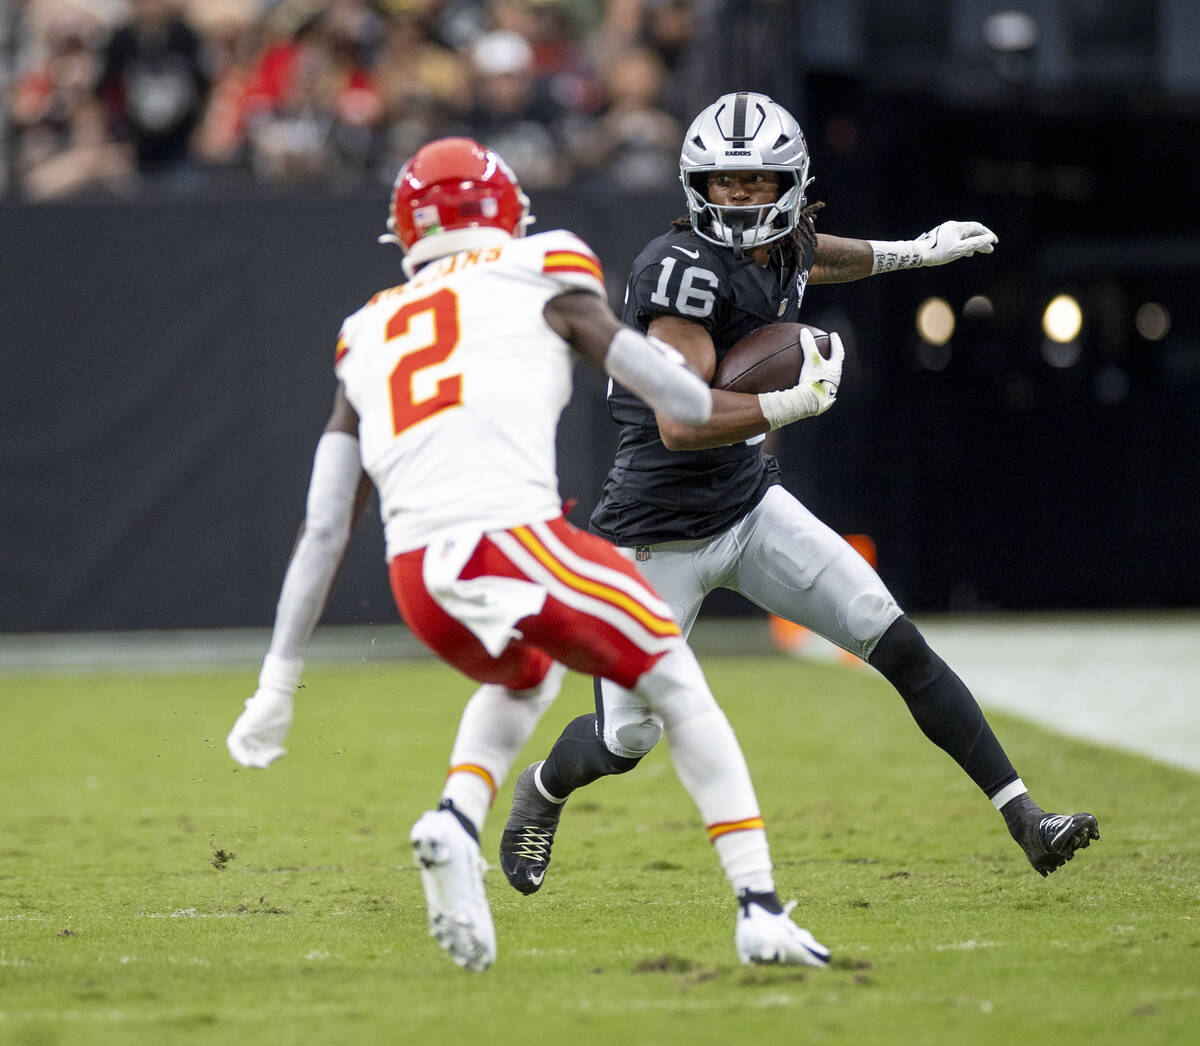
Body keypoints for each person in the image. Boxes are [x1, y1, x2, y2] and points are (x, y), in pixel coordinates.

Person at [226, 136, 843, 971]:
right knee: (676, 680)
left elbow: (325, 526)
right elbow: (679, 402)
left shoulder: (365, 329)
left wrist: (275, 682)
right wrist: (782, 398)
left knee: (526, 673)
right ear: (505, 213)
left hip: (416, 578)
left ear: (406, 232)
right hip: (510, 544)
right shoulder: (543, 261)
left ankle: (453, 815)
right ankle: (759, 907)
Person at [498, 91, 1099, 897]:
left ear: (790, 182)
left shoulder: (784, 242)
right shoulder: (677, 272)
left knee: (895, 641)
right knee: (625, 739)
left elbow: (815, 251)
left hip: (747, 506)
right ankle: (541, 790)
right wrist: (788, 404)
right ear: (695, 186)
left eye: (757, 182)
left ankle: (1028, 819)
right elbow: (681, 421)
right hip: (657, 538)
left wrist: (917, 252)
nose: (741, 198)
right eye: (725, 182)